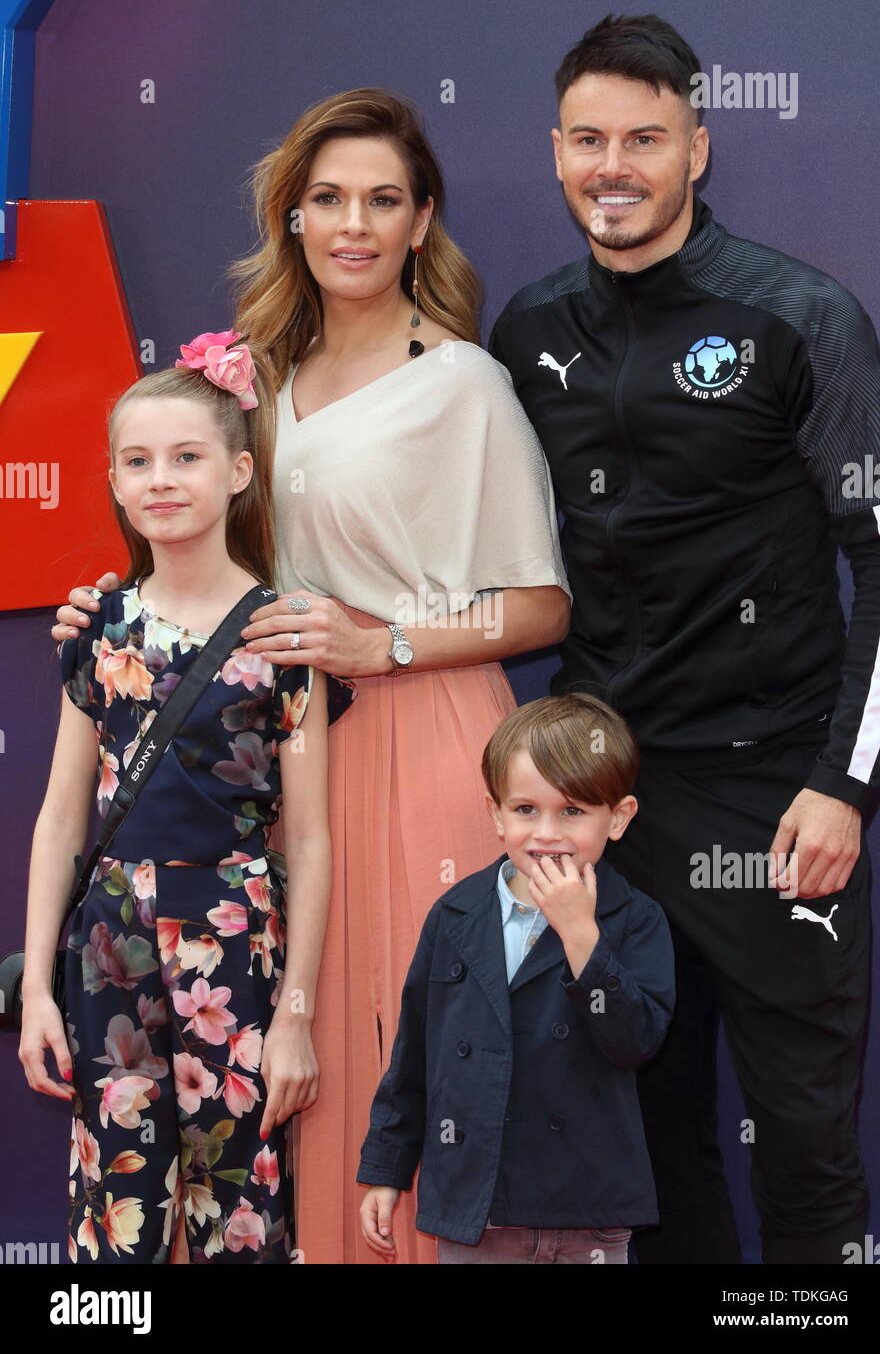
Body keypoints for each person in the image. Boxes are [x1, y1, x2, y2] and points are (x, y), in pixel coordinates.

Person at [49, 88, 572, 1264]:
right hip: (282, 756)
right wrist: (111, 596)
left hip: (428, 736)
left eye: (382, 200)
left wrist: (379, 641)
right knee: (304, 1057)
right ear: (290, 217)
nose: (353, 224)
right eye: (327, 199)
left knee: (422, 1044)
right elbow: (205, 547)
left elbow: (542, 604)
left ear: (421, 221)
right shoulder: (255, 382)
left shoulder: (463, 385)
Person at [486, 14, 880, 1265]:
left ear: (697, 150)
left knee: (809, 1156)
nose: (616, 165)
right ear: (556, 152)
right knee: (652, 1154)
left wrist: (843, 785)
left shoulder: (800, 316)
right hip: (608, 810)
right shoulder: (526, 329)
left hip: (779, 802)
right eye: (591, 139)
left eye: (646, 139)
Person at [22, 332, 355, 1263]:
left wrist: (295, 1015)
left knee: (240, 1216)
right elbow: (60, 817)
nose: (161, 479)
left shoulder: (287, 635)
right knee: (115, 1211)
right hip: (108, 938)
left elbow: (315, 839)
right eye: (137, 461)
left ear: (239, 471)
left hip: (238, 934)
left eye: (186, 457)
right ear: (115, 484)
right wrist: (41, 990)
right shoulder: (97, 630)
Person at [357, 692, 675, 1264]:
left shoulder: (636, 919)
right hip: (476, 1207)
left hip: (588, 1208)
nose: (547, 833)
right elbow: (414, 1057)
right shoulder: (455, 915)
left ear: (620, 817)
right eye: (526, 809)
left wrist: (582, 937)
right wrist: (387, 1170)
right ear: (495, 813)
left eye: (573, 811)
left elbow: (636, 1041)